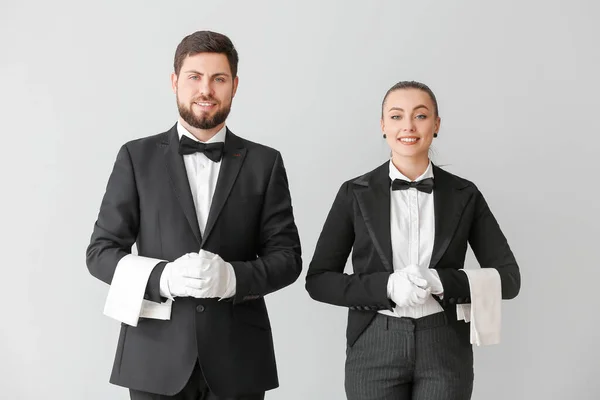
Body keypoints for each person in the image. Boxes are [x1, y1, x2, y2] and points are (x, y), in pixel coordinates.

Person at [86, 30, 302, 400]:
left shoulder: (265, 163)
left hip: (239, 360)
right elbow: (100, 253)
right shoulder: (136, 158)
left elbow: (288, 259)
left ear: (234, 86)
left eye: (218, 78)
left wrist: (232, 278)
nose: (206, 89)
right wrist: (164, 277)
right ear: (175, 82)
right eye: (194, 77)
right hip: (154, 359)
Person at [305, 80, 520, 400]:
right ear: (382, 125)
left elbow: (509, 278)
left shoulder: (465, 194)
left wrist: (439, 280)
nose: (408, 126)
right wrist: (387, 288)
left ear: (436, 124)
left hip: (444, 343)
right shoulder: (354, 193)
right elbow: (319, 280)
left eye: (420, 116)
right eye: (396, 116)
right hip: (374, 343)